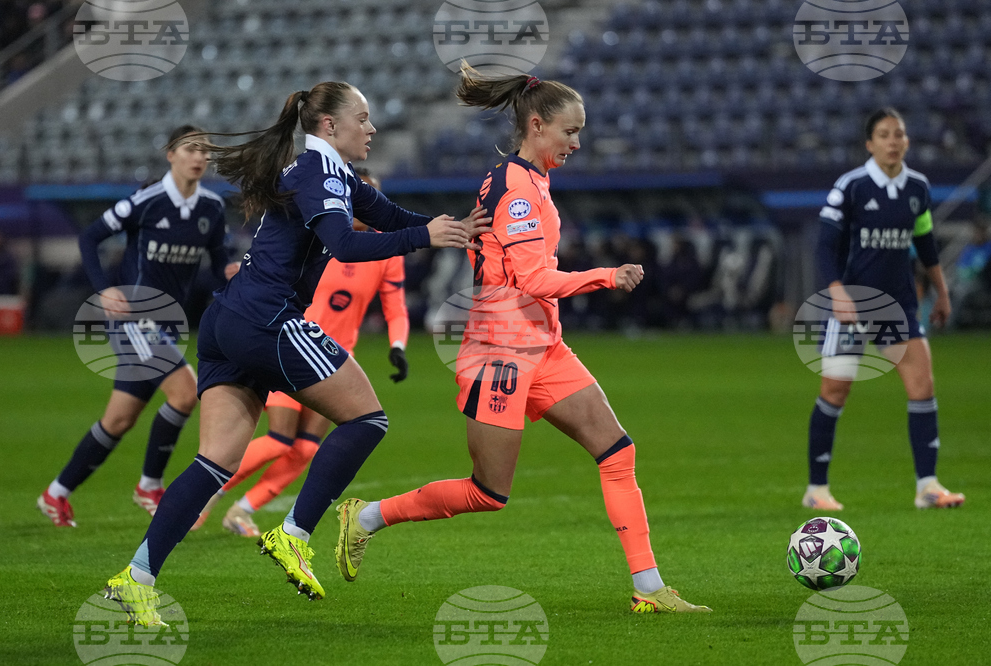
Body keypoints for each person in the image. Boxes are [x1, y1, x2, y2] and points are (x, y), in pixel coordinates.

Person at [101, 81, 490, 626]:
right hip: (266, 319)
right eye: (364, 117)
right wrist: (426, 237)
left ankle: (136, 577)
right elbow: (348, 243)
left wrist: (457, 227)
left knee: (215, 462)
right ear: (329, 125)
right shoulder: (319, 171)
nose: (372, 128)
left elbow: (386, 214)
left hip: (226, 321)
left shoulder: (331, 174)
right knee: (368, 419)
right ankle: (293, 533)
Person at [332, 65, 711, 615]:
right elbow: (532, 279)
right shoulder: (515, 187)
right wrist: (606, 275)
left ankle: (650, 589)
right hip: (499, 350)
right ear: (537, 125)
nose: (577, 143)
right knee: (488, 492)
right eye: (570, 131)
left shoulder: (531, 181)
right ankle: (365, 516)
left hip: (541, 343)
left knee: (617, 451)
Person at [192, 169, 412, 537]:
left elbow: (396, 305)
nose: (368, 209)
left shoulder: (384, 252)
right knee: (279, 438)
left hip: (335, 359)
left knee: (306, 447)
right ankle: (208, 490)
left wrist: (398, 345)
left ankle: (242, 511)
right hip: (288, 344)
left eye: (375, 202)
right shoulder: (321, 237)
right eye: (361, 199)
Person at [38, 125, 237, 527]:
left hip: (168, 325)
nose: (200, 157)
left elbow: (217, 265)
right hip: (134, 319)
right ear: (171, 154)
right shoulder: (146, 201)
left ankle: (55, 494)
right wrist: (104, 290)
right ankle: (150, 485)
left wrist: (230, 273)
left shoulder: (211, 208)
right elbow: (90, 238)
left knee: (119, 420)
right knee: (185, 393)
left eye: (205, 151)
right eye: (191, 149)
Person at [803, 107, 965, 511]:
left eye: (899, 134)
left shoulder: (918, 189)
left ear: (907, 141)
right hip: (853, 307)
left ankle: (927, 486)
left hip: (901, 307)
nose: (893, 141)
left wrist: (941, 293)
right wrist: (836, 291)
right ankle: (816, 489)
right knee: (835, 391)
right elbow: (824, 246)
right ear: (869, 143)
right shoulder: (852, 186)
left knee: (922, 388)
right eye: (884, 134)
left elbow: (926, 248)